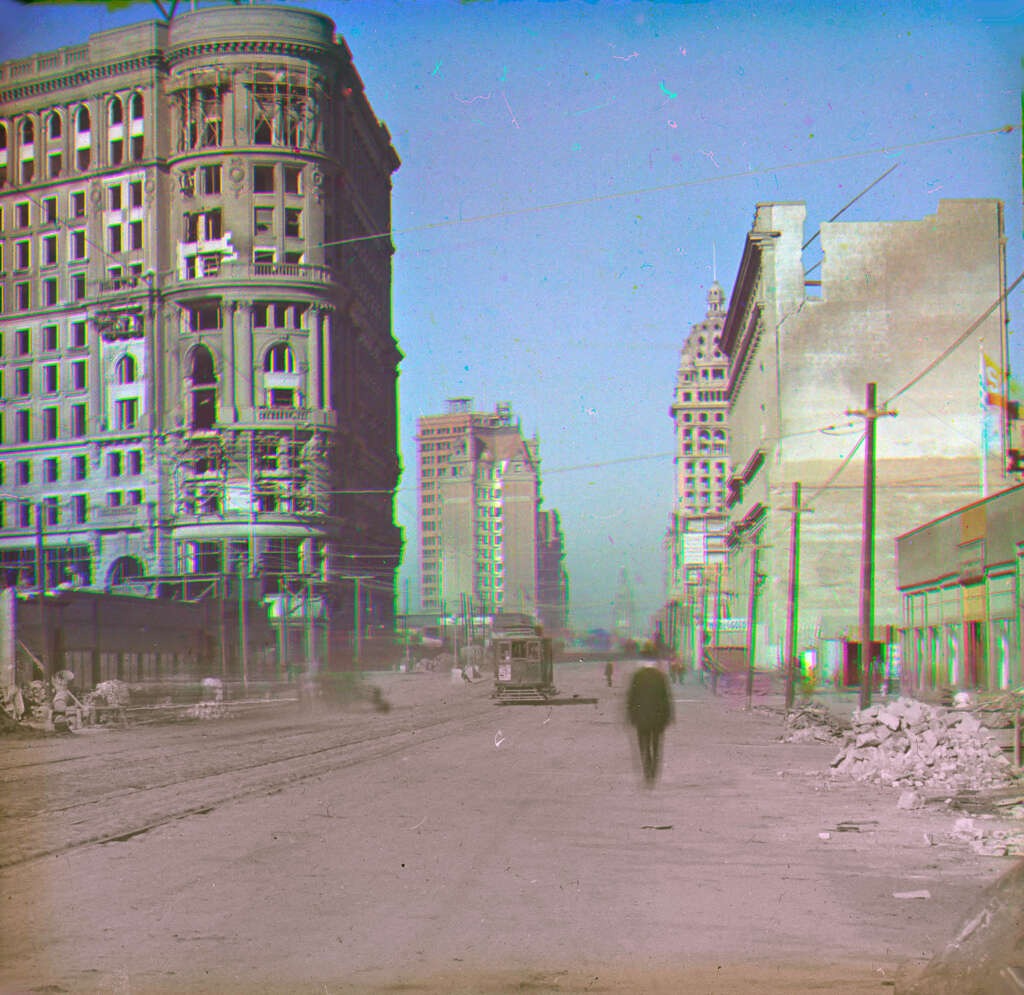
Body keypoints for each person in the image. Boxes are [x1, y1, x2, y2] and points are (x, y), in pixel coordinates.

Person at [626, 664, 673, 784]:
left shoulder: (638, 676)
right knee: (656, 746)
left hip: (641, 719)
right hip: (657, 719)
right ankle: (653, 772)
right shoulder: (660, 676)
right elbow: (666, 698)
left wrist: (631, 715)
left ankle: (647, 771)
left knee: (644, 746)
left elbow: (632, 697)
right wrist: (668, 716)